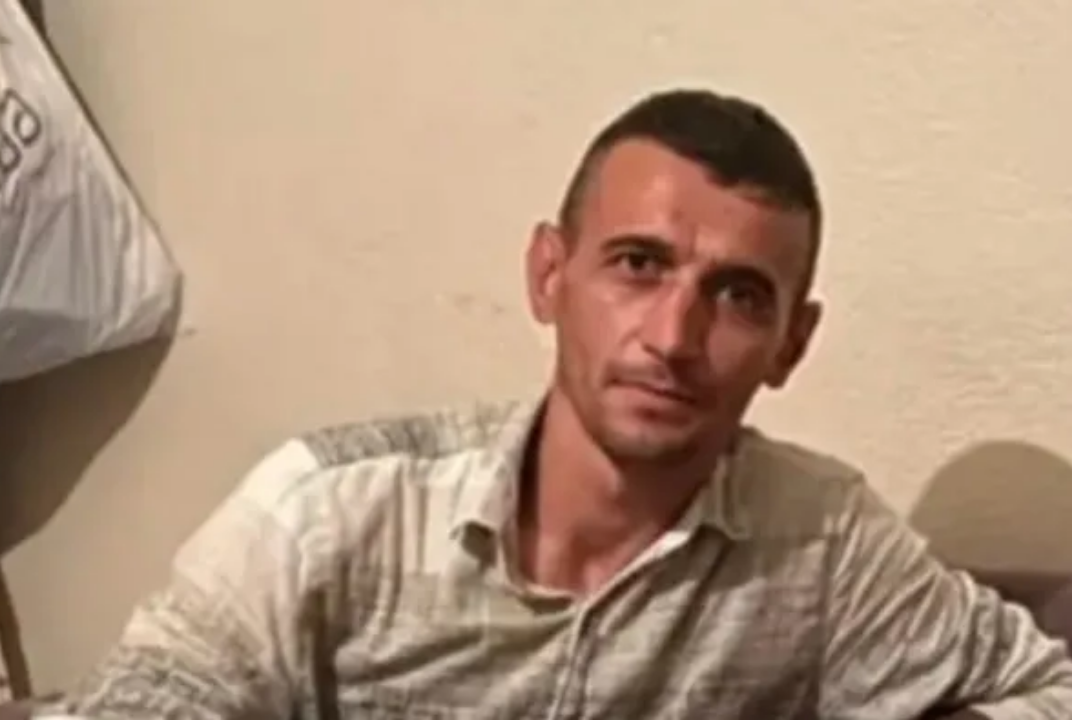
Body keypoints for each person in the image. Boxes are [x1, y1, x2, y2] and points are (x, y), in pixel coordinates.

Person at [54, 89, 1072, 719]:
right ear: (550, 275)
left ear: (788, 346)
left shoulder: (823, 541)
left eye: (736, 295)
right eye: (638, 264)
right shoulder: (329, 513)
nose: (673, 336)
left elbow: (1045, 691)